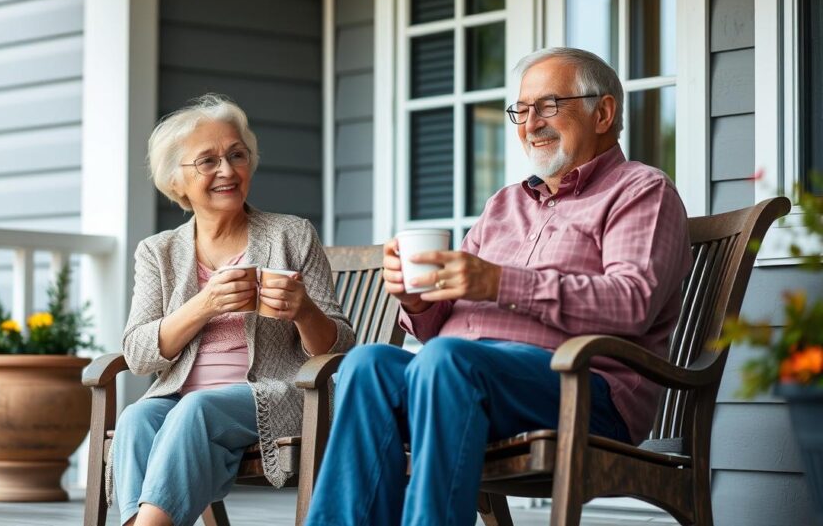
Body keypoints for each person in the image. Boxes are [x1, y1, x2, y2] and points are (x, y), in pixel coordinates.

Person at [304, 47, 693, 526]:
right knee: (368, 365)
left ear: (603, 113)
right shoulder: (504, 205)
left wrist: (499, 282)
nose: (531, 123)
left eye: (548, 105)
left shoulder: (641, 190)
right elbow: (435, 326)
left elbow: (632, 302)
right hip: (462, 379)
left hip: (580, 390)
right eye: (521, 110)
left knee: (447, 361)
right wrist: (417, 300)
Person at [110, 94, 354, 526]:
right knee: (137, 417)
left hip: (279, 394)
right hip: (182, 400)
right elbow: (138, 354)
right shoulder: (158, 252)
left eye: (236, 155)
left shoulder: (291, 235)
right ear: (176, 181)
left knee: (197, 410)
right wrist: (204, 305)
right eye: (208, 161)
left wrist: (303, 311)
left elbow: (340, 347)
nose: (227, 170)